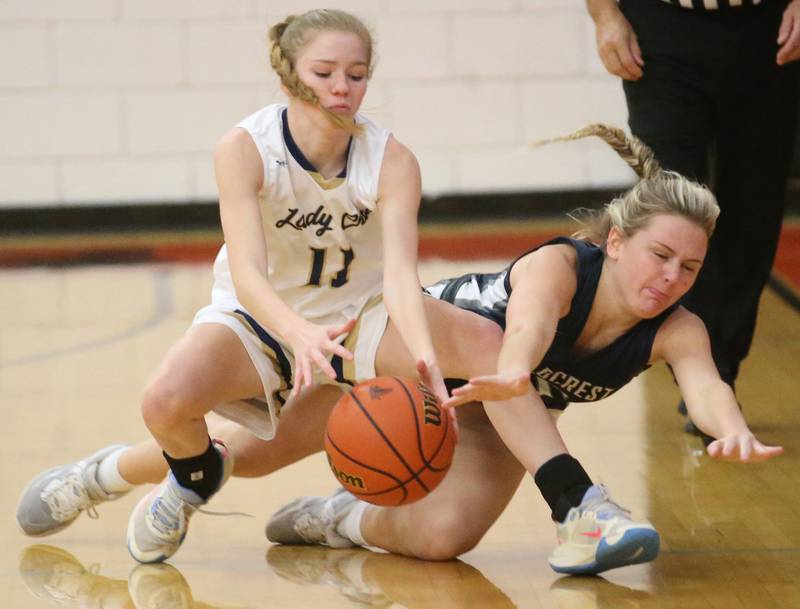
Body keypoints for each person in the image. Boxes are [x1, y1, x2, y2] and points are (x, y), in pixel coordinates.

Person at [15, 8, 490, 564]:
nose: (342, 87)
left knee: (251, 455)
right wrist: (297, 333)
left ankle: (125, 477)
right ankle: (151, 479)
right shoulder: (245, 148)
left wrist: (427, 357)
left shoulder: (392, 161)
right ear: (291, 73)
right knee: (166, 404)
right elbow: (247, 273)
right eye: (324, 72)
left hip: (354, 324)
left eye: (356, 75)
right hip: (262, 318)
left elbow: (402, 279)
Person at [263, 123, 782, 575]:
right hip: (418, 359)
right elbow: (525, 331)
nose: (671, 277)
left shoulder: (679, 329)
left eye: (689, 268)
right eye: (661, 255)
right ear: (617, 243)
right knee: (244, 454)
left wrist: (734, 430)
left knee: (444, 538)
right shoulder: (562, 267)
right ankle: (581, 508)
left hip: (505, 405)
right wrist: (513, 370)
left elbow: (708, 388)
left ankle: (338, 517)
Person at [585, 0, 800, 437]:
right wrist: (604, 14)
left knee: (753, 208)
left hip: (769, 26)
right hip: (660, 25)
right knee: (670, 208)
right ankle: (700, 371)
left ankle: (723, 367)